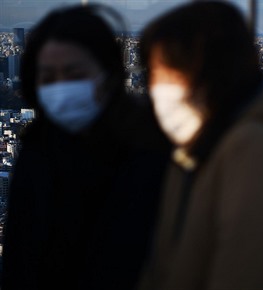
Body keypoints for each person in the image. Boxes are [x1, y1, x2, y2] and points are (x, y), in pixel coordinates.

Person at [138, 2, 263, 289]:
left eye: (168, 73)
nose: (156, 87)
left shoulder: (255, 150)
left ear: (212, 71)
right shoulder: (200, 148)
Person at [1, 4, 170, 290]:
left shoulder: (149, 154)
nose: (61, 86)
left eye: (74, 73)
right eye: (48, 77)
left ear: (109, 73)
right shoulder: (37, 151)